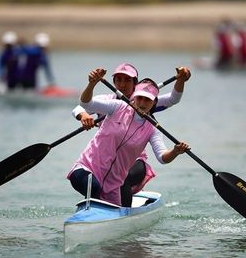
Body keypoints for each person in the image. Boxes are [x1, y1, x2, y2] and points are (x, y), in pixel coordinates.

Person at [71, 62, 191, 206]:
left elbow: (173, 99)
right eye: (119, 80)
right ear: (113, 82)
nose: (122, 84)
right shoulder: (114, 104)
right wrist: (84, 115)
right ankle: (98, 207)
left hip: (130, 161)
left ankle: (121, 210)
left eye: (127, 80)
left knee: (123, 179)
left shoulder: (150, 116)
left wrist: (181, 80)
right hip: (99, 160)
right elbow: (82, 105)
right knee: (94, 185)